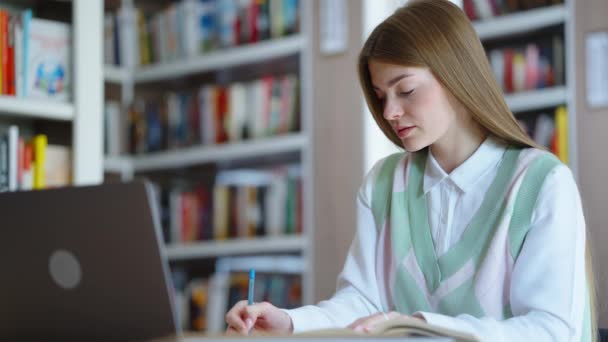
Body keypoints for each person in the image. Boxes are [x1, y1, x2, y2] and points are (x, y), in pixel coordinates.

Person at [224, 0, 596, 340]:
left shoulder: (541, 183)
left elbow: (552, 330)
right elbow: (362, 304)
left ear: (456, 76)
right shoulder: (383, 184)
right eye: (381, 95)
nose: (389, 113)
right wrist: (289, 323)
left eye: (405, 90)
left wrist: (418, 325)